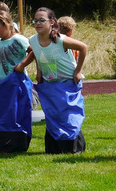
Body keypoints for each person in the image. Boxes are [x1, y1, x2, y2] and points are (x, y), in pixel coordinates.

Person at [15, 8, 88, 153]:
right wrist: (37, 70)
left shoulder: (60, 40)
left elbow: (83, 47)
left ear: (52, 22)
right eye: (35, 20)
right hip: (49, 83)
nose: (38, 23)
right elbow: (37, 53)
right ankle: (54, 147)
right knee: (53, 114)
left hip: (67, 82)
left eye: (42, 20)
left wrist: (78, 71)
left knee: (68, 114)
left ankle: (74, 146)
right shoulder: (33, 40)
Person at [0, 10, 34, 153]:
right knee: (1, 111)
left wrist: (22, 65)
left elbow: (33, 51)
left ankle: (15, 142)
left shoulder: (18, 39)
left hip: (15, 83)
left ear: (6, 25)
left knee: (14, 112)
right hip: (1, 83)